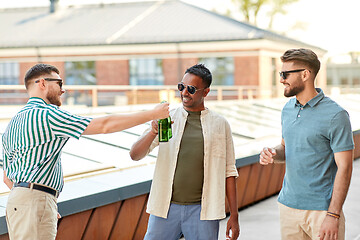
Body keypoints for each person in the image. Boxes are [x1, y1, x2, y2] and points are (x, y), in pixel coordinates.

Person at [1, 63, 169, 240]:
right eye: (59, 83)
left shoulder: (13, 123)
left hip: (16, 203)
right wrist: (152, 113)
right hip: (34, 200)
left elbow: (7, 178)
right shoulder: (48, 115)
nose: (63, 90)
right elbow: (104, 126)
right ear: (42, 83)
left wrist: (35, 202)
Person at [129, 64, 240, 240]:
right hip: (164, 208)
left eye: (191, 89)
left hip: (204, 211)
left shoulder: (220, 124)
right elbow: (134, 155)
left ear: (206, 92)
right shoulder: (166, 119)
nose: (184, 93)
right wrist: (152, 132)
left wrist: (234, 214)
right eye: (181, 87)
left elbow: (229, 171)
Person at [259, 48, 354, 240]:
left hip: (322, 212)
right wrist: (272, 153)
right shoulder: (287, 109)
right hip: (288, 207)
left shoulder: (336, 115)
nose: (281, 80)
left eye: (285, 74)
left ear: (305, 74)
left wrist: (333, 215)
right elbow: (285, 148)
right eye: (280, 73)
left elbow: (345, 167)